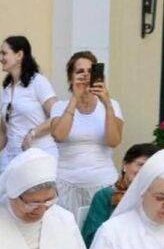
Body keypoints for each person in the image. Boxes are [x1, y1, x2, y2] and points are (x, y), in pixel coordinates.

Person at [50, 51, 124, 215]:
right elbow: (59, 136)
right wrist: (75, 98)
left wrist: (107, 103)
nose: (85, 75)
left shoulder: (112, 105)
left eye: (90, 71)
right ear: (71, 78)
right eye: (80, 71)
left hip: (103, 184)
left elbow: (113, 141)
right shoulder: (59, 107)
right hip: (66, 186)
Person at [0, 36, 57, 171]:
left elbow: (58, 117)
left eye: (4, 53)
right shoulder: (6, 89)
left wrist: (33, 133)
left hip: (38, 157)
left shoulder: (38, 82)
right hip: (11, 159)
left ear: (19, 55)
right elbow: (4, 131)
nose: (0, 58)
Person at [82, 142, 158, 248]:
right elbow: (91, 239)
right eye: (141, 165)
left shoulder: (157, 198)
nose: (144, 171)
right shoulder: (105, 196)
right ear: (125, 165)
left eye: (150, 167)